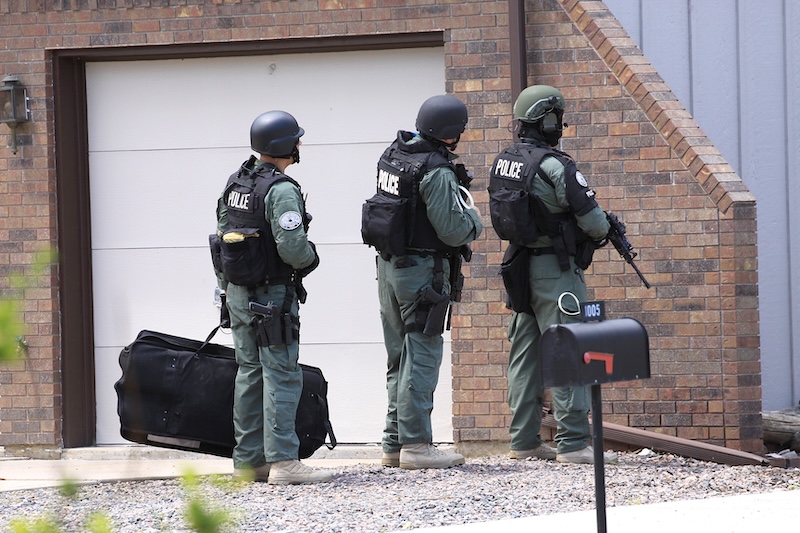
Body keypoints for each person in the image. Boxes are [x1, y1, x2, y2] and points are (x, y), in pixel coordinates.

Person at [488, 85, 617, 465]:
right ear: (546, 119)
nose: (559, 124)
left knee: (524, 355)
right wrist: (601, 229)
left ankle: (525, 441)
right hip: (557, 272)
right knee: (567, 349)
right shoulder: (556, 165)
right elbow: (594, 223)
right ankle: (574, 442)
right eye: (556, 117)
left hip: (520, 268)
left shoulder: (506, 161)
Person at [362, 95, 483, 470]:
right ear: (450, 132)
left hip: (389, 268)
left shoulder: (395, 155)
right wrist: (475, 220)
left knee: (399, 356)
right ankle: (416, 445)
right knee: (423, 355)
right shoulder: (437, 170)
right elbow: (452, 230)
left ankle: (394, 442)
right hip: (423, 274)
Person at [213, 110, 332, 484]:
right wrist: (312, 258)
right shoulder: (281, 190)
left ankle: (248, 463)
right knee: (281, 374)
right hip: (272, 298)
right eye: (296, 140)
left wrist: (227, 289)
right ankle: (284, 462)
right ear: (284, 146)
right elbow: (293, 248)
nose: (299, 146)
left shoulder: (236, 184)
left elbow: (221, 240)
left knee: (249, 373)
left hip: (237, 294)